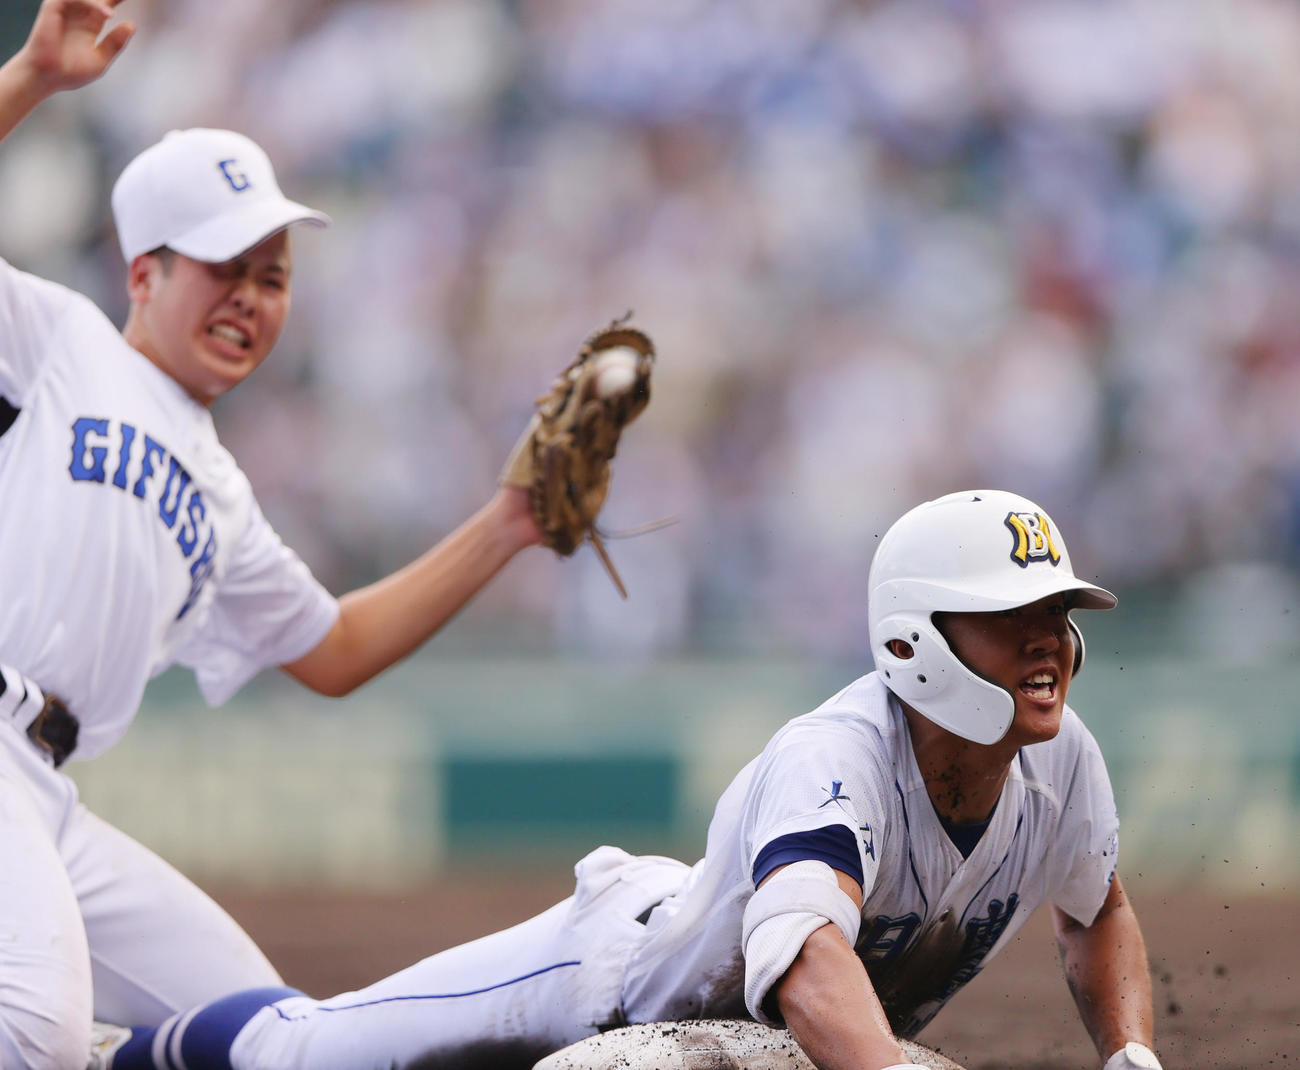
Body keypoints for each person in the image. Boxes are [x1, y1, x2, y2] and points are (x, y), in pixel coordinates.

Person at [94, 489, 1164, 1070]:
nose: (1047, 640)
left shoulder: (1061, 757)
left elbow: (1096, 911)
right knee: (306, 1053)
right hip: (609, 980)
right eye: (1011, 615)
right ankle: (112, 1055)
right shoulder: (836, 755)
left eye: (1055, 613)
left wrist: (1129, 1054)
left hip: (737, 1049)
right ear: (915, 638)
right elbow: (807, 969)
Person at [0, 3, 550, 1067]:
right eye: (222, 267)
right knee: (33, 1026)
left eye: (273, 276)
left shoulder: (220, 486)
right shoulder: (54, 341)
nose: (249, 298)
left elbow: (333, 648)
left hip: (45, 794)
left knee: (273, 1030)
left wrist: (506, 523)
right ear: (143, 273)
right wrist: (28, 76)